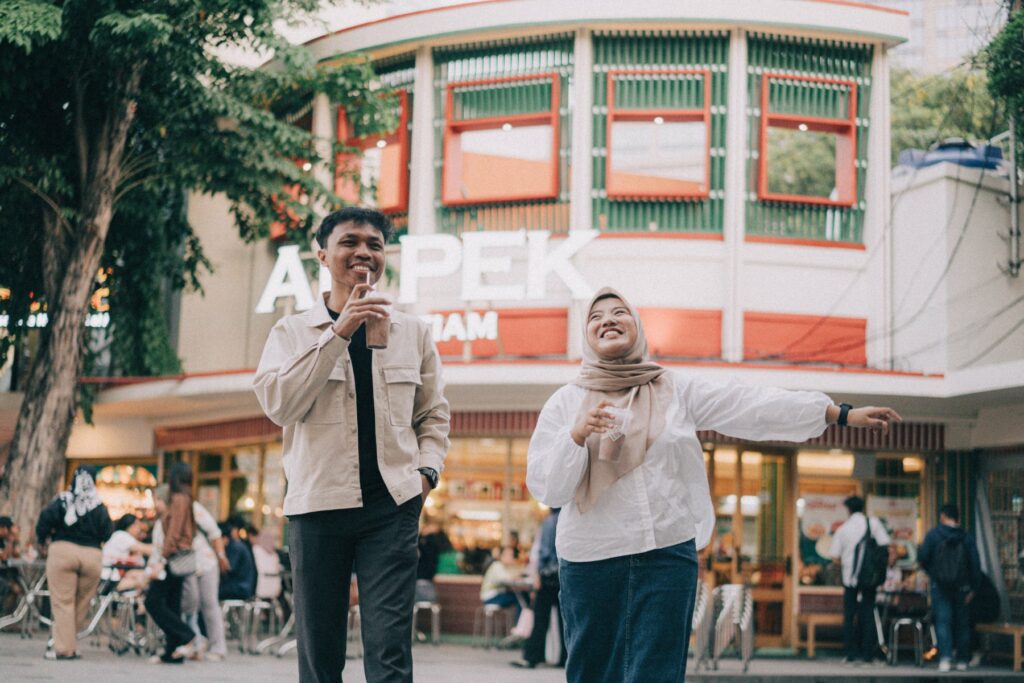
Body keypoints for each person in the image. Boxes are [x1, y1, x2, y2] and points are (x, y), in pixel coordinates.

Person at [526, 288, 901, 683]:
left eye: (620, 312)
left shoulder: (673, 388)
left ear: (637, 326)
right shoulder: (566, 402)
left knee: (657, 675)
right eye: (595, 316)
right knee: (593, 674)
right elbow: (548, 489)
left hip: (665, 555)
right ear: (587, 335)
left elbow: (748, 405)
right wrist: (576, 435)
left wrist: (835, 413)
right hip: (591, 560)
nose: (608, 320)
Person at [253, 206, 451, 683]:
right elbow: (279, 404)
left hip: (392, 507)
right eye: (349, 242)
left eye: (374, 244)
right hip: (317, 504)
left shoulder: (413, 332)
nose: (363, 251)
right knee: (320, 656)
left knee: (390, 654)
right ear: (322, 255)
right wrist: (339, 331)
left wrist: (426, 474)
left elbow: (433, 414)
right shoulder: (291, 332)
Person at [35, 466, 113, 660]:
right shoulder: (99, 505)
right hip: (92, 555)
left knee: (63, 602)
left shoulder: (62, 500)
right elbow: (107, 532)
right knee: (82, 602)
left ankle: (64, 649)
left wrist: (43, 541)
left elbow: (44, 520)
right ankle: (70, 645)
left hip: (63, 551)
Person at [146, 466, 204, 664]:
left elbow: (174, 531)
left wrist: (163, 559)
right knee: (172, 603)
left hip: (173, 557)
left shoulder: (179, 499)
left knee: (152, 601)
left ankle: (187, 636)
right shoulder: (188, 498)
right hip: (180, 558)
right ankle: (172, 652)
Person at [919, 503, 982, 672]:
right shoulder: (966, 537)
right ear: (957, 518)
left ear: (943, 516)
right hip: (963, 587)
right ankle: (962, 660)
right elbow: (975, 564)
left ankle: (945, 659)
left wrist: (933, 573)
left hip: (940, 586)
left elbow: (923, 557)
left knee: (943, 621)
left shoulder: (933, 535)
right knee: (963, 624)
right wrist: (973, 588)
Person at [828, 495, 891, 666]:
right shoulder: (874, 523)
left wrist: (847, 562)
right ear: (863, 508)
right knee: (868, 613)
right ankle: (868, 655)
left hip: (850, 578)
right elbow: (885, 545)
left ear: (848, 510)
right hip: (870, 577)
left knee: (849, 615)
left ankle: (850, 654)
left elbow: (835, 557)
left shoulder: (843, 529)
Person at [511, 508, 565, 670]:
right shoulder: (566, 518)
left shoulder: (549, 522)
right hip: (564, 575)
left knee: (541, 617)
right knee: (564, 619)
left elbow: (542, 552)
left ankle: (533, 656)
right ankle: (565, 658)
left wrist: (537, 575)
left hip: (547, 576)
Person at [181, 499, 229, 661]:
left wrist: (221, 555)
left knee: (209, 604)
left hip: (206, 562)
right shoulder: (166, 513)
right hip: (184, 564)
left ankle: (218, 648)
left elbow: (214, 532)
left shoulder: (192, 507)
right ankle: (195, 643)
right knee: (189, 604)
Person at [101, 513, 152, 589]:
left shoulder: (120, 536)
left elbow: (140, 562)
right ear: (130, 526)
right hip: (109, 578)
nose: (139, 530)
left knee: (140, 576)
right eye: (137, 526)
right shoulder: (121, 535)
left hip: (112, 575)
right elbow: (148, 550)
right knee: (146, 578)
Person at [218, 518, 256, 601]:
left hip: (240, 588)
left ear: (224, 538)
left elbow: (229, 569)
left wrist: (220, 556)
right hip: (239, 586)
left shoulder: (235, 547)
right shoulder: (235, 545)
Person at [480, 545, 520, 614]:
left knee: (519, 597)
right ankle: (520, 621)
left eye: (512, 555)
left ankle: (520, 620)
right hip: (491, 597)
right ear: (502, 556)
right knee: (519, 599)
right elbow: (508, 579)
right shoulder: (497, 566)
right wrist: (519, 574)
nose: (511, 557)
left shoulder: (502, 567)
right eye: (509, 555)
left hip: (494, 596)